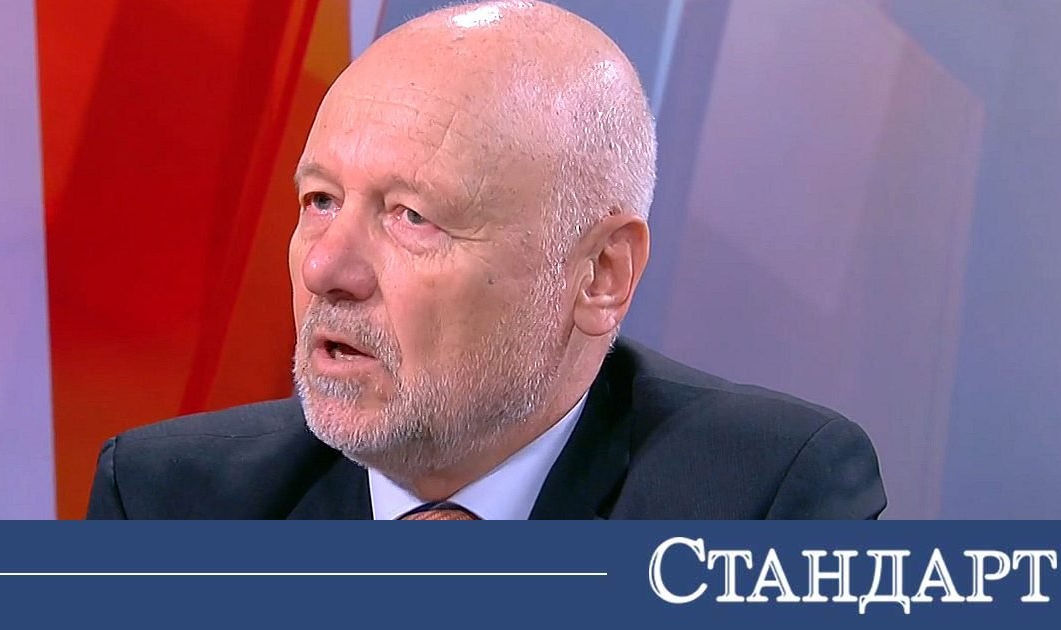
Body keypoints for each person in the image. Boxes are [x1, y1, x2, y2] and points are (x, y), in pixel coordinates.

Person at [86, 0, 886, 520]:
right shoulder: (167, 501)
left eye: (411, 216)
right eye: (320, 200)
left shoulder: (762, 501)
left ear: (601, 274)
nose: (326, 269)